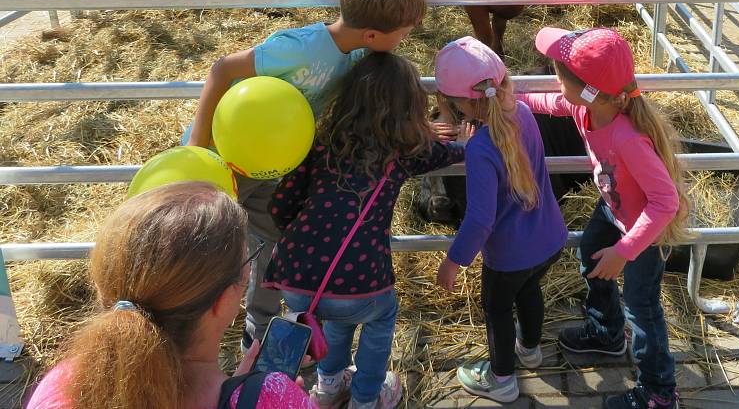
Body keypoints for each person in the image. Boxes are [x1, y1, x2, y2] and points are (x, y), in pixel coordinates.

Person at [186, 0, 427, 359]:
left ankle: (256, 336)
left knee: (271, 245)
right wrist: (198, 146)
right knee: (207, 247)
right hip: (221, 159)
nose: (406, 37)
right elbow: (223, 69)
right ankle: (194, 337)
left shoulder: (358, 54)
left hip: (271, 166)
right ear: (371, 35)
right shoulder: (301, 48)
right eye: (404, 31)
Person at [262, 52, 466, 409]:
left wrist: (306, 238)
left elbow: (279, 207)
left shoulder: (318, 143)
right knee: (379, 318)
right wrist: (461, 138)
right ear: (410, 106)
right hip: (361, 281)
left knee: (333, 319)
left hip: (296, 277)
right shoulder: (404, 151)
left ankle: (327, 387)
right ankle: (366, 399)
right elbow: (448, 153)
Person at [25, 182, 316, 409]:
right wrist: (254, 396)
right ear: (223, 301)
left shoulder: (61, 384)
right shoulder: (275, 399)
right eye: (248, 259)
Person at [519, 27, 689, 409]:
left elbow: (665, 202)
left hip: (643, 233)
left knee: (642, 309)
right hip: (613, 210)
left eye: (560, 73)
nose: (555, 79)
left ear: (589, 89)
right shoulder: (586, 106)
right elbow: (548, 101)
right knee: (591, 253)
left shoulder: (629, 138)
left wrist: (625, 251)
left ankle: (660, 391)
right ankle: (606, 331)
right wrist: (507, 98)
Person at [432, 37, 568, 404]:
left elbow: (479, 220)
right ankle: (531, 350)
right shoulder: (523, 112)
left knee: (496, 308)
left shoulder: (479, 149)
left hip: (509, 256)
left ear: (460, 103)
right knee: (529, 290)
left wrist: (453, 261)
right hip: (551, 240)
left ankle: (503, 379)